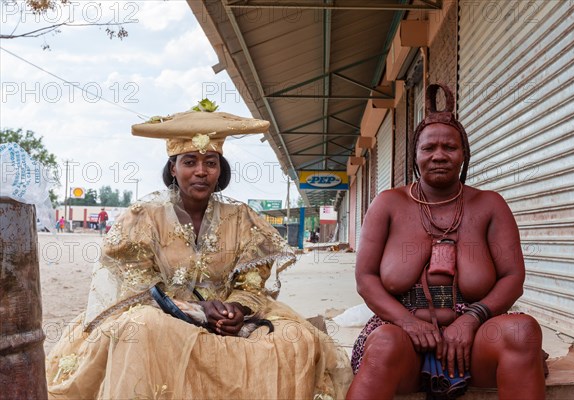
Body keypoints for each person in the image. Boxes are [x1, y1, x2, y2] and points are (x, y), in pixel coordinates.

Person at [46, 104, 352, 399]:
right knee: (139, 328)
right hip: (161, 317)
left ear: (221, 170)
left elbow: (251, 286)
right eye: (190, 161)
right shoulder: (142, 217)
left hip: (229, 322)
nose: (201, 171)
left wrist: (236, 310)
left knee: (295, 340)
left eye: (210, 162)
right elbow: (138, 289)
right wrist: (196, 310)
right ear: (173, 168)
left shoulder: (242, 218)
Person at [346, 84, 545, 400]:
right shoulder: (388, 204)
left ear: (464, 154)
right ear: (416, 155)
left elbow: (512, 278)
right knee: (384, 344)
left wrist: (471, 319)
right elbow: (366, 279)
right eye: (429, 148)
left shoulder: (489, 205)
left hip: (475, 339)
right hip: (403, 339)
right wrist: (407, 322)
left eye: (450, 148)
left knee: (522, 331)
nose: (439, 155)